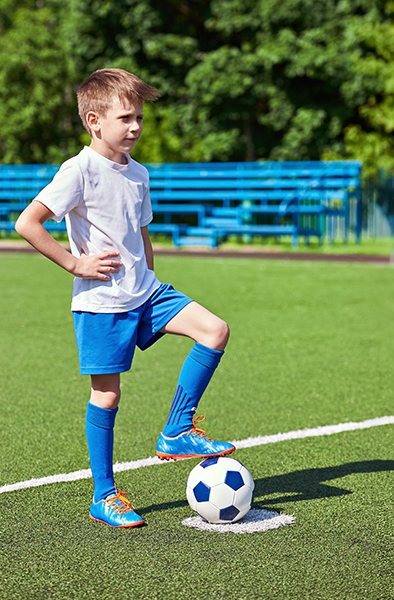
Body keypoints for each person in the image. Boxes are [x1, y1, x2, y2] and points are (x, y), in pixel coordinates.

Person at [15, 68, 234, 528]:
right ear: (94, 121)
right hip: (101, 303)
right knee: (107, 396)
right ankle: (105, 496)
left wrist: (151, 275)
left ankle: (177, 430)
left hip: (147, 292)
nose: (135, 127)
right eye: (125, 118)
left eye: (139, 118)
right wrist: (76, 264)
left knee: (214, 330)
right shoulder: (78, 170)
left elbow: (141, 231)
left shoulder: (139, 173)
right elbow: (27, 223)